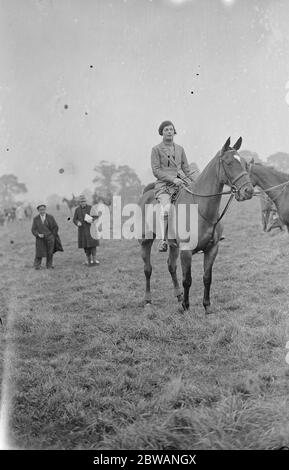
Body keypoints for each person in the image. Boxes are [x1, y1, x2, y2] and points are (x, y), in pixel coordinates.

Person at [151, 120, 198, 252]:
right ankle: (163, 240)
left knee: (195, 204)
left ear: (174, 132)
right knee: (166, 209)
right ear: (162, 132)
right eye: (166, 130)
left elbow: (186, 169)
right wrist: (172, 179)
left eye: (171, 129)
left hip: (181, 183)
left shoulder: (180, 149)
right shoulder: (156, 150)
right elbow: (156, 170)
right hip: (164, 186)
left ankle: (198, 237)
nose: (169, 132)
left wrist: (195, 182)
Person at [31, 204, 63, 269]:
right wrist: (38, 234)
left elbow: (55, 227)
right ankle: (37, 266)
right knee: (39, 252)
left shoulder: (50, 217)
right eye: (40, 210)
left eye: (43, 209)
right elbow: (33, 229)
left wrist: (52, 235)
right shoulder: (36, 219)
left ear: (45, 209)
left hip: (50, 238)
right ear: (38, 210)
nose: (42, 211)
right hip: (40, 238)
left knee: (50, 252)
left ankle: (49, 265)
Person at [73, 194, 100, 266]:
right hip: (82, 231)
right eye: (81, 201)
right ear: (79, 202)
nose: (83, 203)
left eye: (84, 201)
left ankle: (94, 260)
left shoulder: (91, 208)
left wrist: (91, 219)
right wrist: (77, 222)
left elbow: (96, 216)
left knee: (93, 245)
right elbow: (74, 219)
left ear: (86, 201)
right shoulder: (77, 210)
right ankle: (88, 260)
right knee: (86, 246)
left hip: (91, 229)